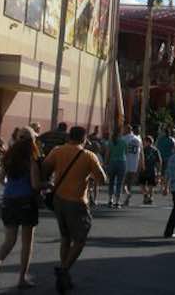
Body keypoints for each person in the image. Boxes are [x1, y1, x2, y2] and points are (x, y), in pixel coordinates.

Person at [43, 125, 106, 294]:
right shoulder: (88, 156)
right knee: (80, 239)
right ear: (84, 139)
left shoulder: (57, 151)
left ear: (69, 136)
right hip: (77, 202)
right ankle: (64, 269)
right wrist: (89, 175)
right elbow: (102, 179)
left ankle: (65, 274)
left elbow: (45, 169)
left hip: (58, 199)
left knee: (65, 237)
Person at [0, 126, 40, 290]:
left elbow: (1, 179)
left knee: (8, 241)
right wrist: (46, 184)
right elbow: (35, 184)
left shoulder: (9, 156)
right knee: (27, 243)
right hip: (26, 202)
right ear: (32, 140)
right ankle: (22, 278)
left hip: (9, 201)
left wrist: (13, 187)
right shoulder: (31, 159)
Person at [120, 124, 143, 207]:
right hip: (134, 163)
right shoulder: (138, 139)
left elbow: (121, 150)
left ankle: (127, 194)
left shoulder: (123, 139)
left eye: (124, 130)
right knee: (130, 183)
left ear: (127, 130)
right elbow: (141, 152)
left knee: (123, 183)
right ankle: (127, 200)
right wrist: (141, 163)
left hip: (125, 162)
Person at [105, 128, 127, 208]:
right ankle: (117, 201)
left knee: (111, 181)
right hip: (122, 163)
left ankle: (110, 200)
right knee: (119, 183)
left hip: (112, 162)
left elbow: (107, 154)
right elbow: (126, 153)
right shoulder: (124, 142)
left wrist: (106, 163)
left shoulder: (110, 142)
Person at [139, 135, 162, 205]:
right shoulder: (155, 150)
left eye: (145, 141)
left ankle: (147, 196)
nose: (144, 143)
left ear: (147, 142)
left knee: (143, 184)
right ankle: (149, 196)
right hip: (151, 169)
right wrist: (158, 170)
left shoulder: (143, 150)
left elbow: (140, 159)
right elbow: (159, 161)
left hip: (145, 169)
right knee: (150, 184)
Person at [156, 128, 175, 194]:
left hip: (161, 158)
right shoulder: (172, 139)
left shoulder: (160, 139)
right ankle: (166, 187)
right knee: (168, 173)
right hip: (169, 158)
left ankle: (162, 187)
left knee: (162, 172)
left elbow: (157, 148)